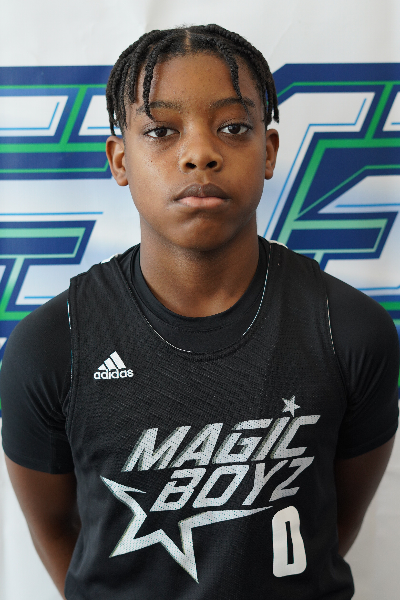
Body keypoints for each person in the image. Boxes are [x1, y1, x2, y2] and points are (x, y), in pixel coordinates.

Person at [1, 24, 399, 600]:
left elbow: (336, 520)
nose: (199, 153)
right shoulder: (51, 345)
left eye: (233, 127)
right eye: (161, 131)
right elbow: (55, 528)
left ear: (268, 151)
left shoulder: (351, 331)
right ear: (120, 160)